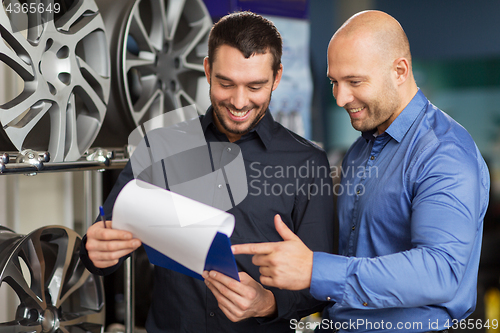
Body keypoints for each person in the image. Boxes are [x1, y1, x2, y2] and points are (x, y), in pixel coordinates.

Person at [231, 10, 490, 332]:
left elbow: (441, 272)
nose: (340, 98)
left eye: (354, 81)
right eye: (333, 82)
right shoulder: (362, 148)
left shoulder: (443, 152)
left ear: (400, 71)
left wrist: (315, 270)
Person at [80, 11, 335, 333]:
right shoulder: (160, 146)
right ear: (207, 70)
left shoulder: (306, 162)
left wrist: (269, 303)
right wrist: (97, 249)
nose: (239, 102)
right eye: (225, 83)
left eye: (255, 86)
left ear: (277, 77)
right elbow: (105, 239)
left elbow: (321, 282)